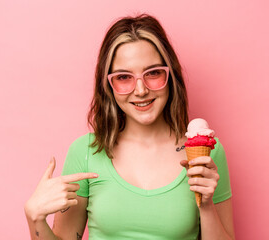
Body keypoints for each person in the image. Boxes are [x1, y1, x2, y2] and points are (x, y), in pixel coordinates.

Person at [25, 14, 235, 240]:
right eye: (124, 77)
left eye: (153, 73)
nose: (141, 90)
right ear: (108, 85)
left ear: (170, 75)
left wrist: (206, 205)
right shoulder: (85, 152)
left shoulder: (208, 153)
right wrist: (34, 218)